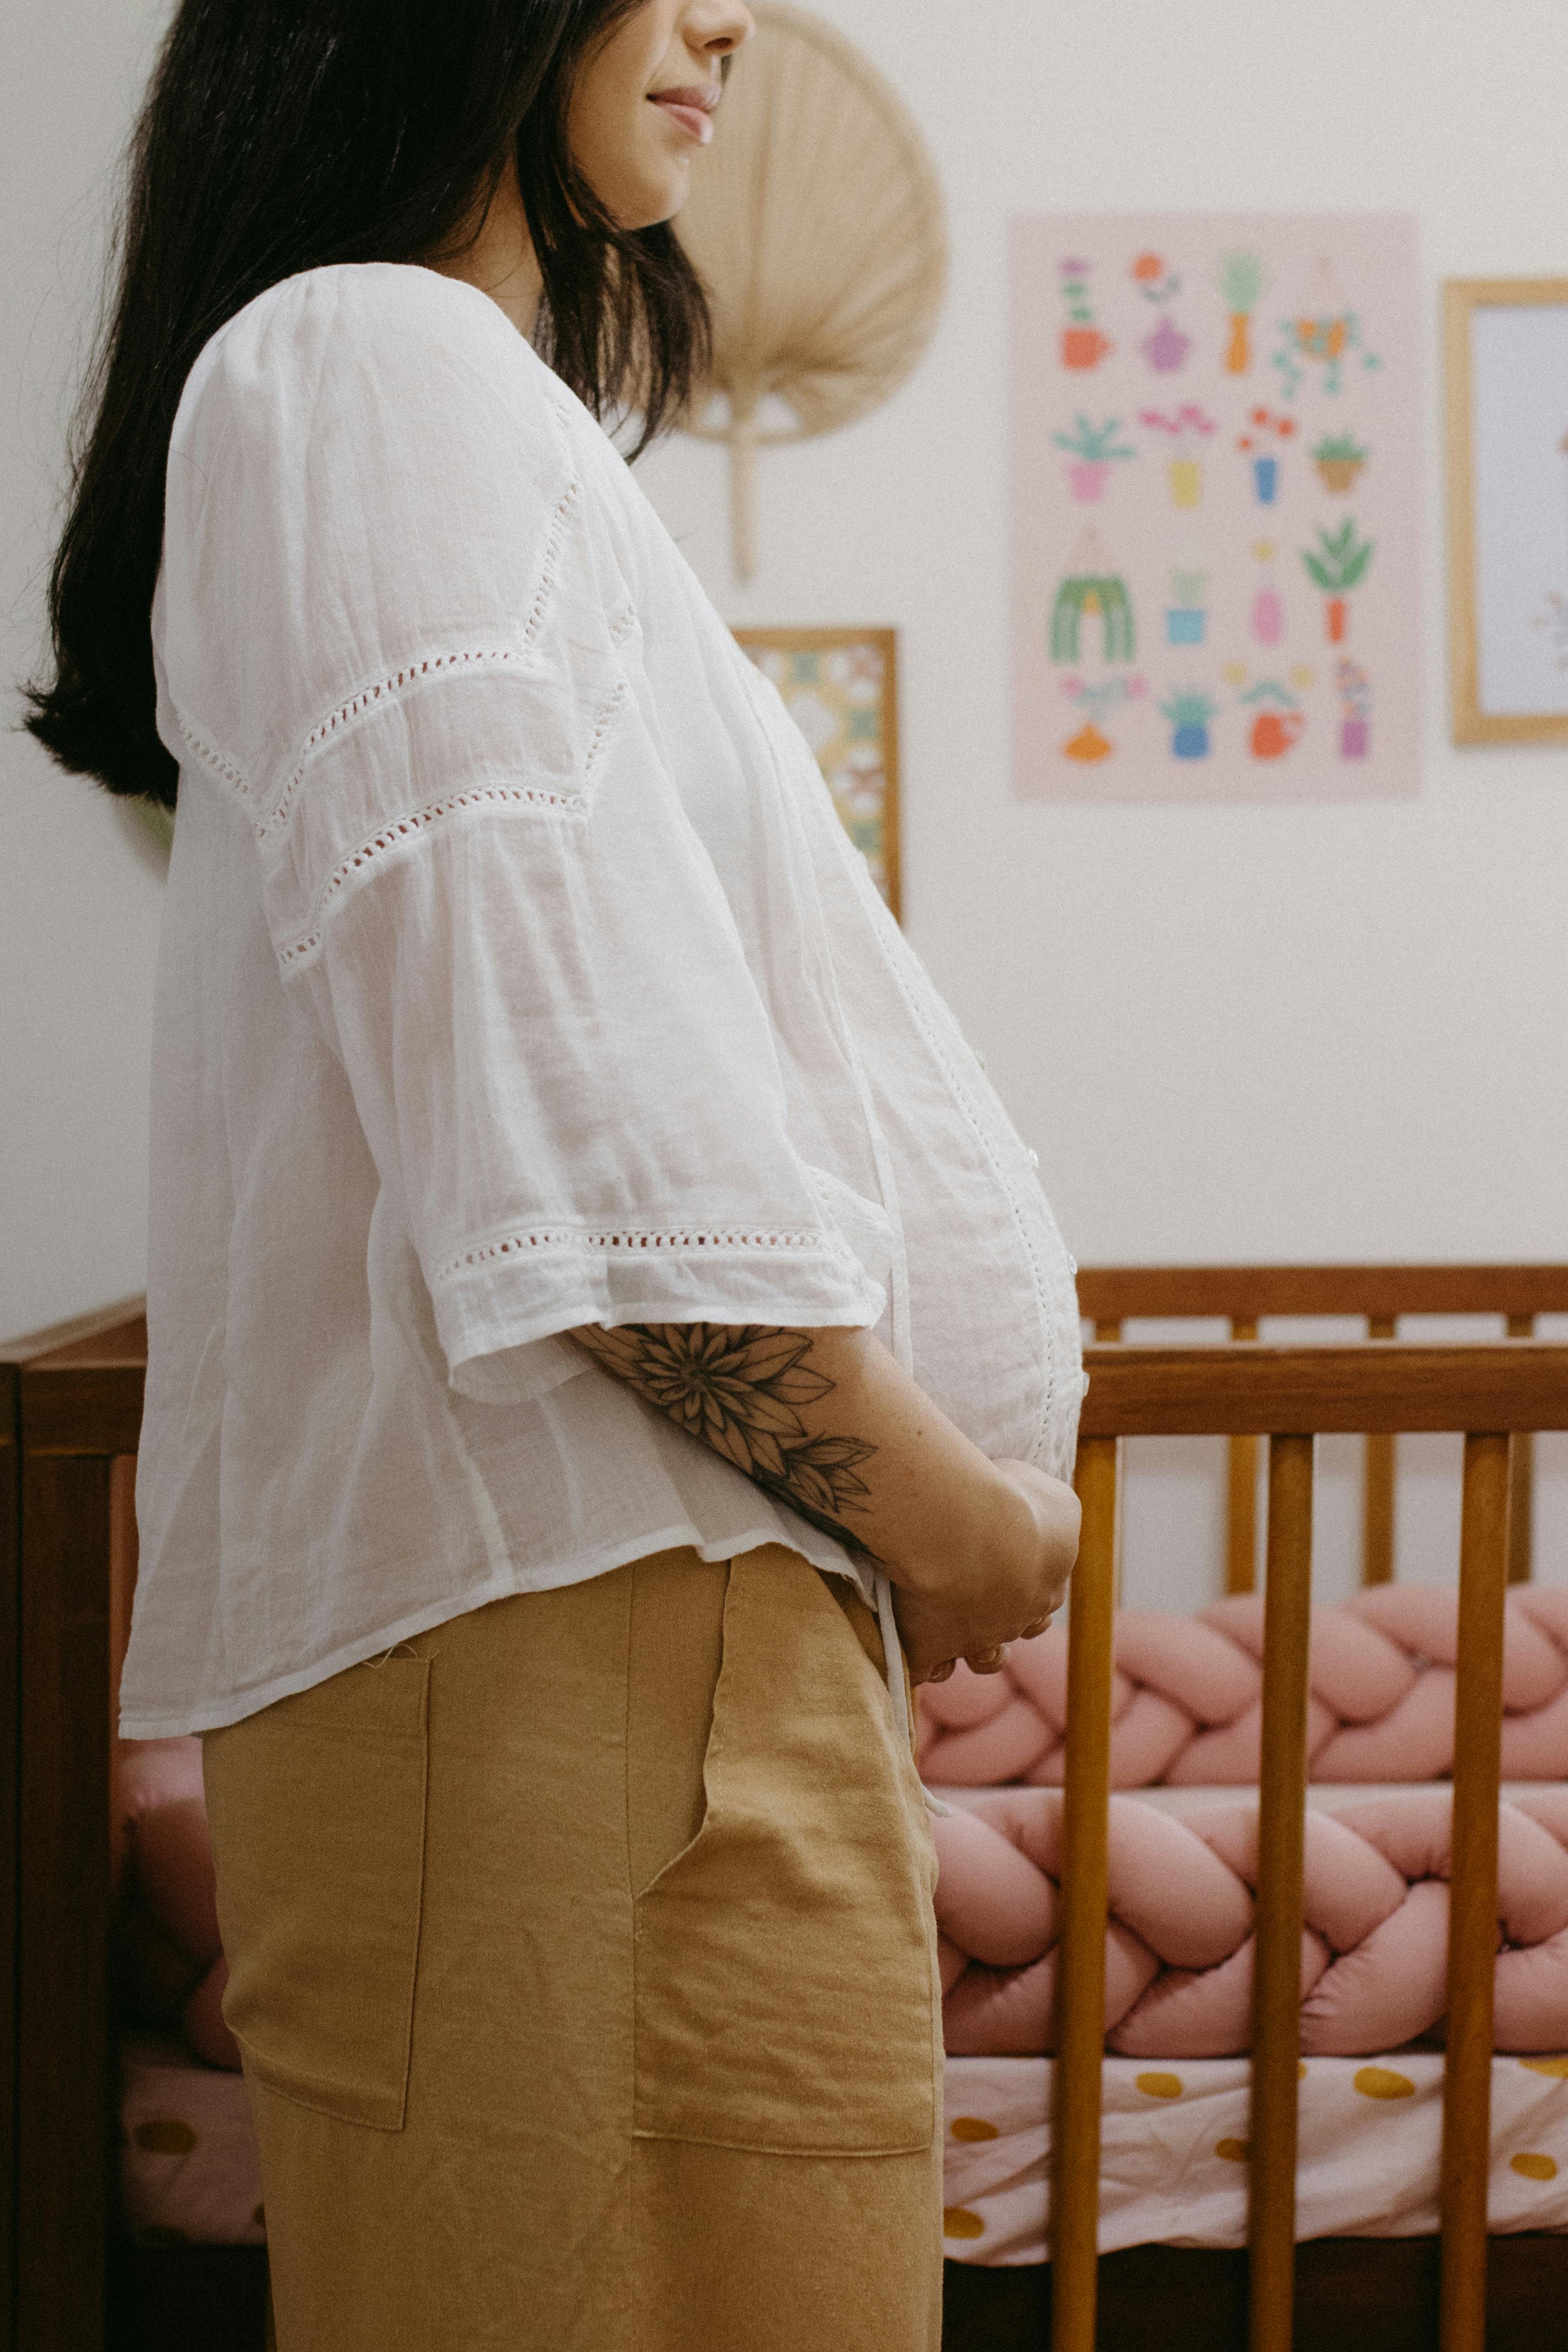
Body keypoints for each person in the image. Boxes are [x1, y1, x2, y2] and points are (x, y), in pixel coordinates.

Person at [25, 2, 1084, 2345]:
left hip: (643, 1649)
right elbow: (563, 1132)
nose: (724, 16)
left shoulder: (442, 399)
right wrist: (960, 1522)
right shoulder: (366, 364)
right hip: (576, 1659)